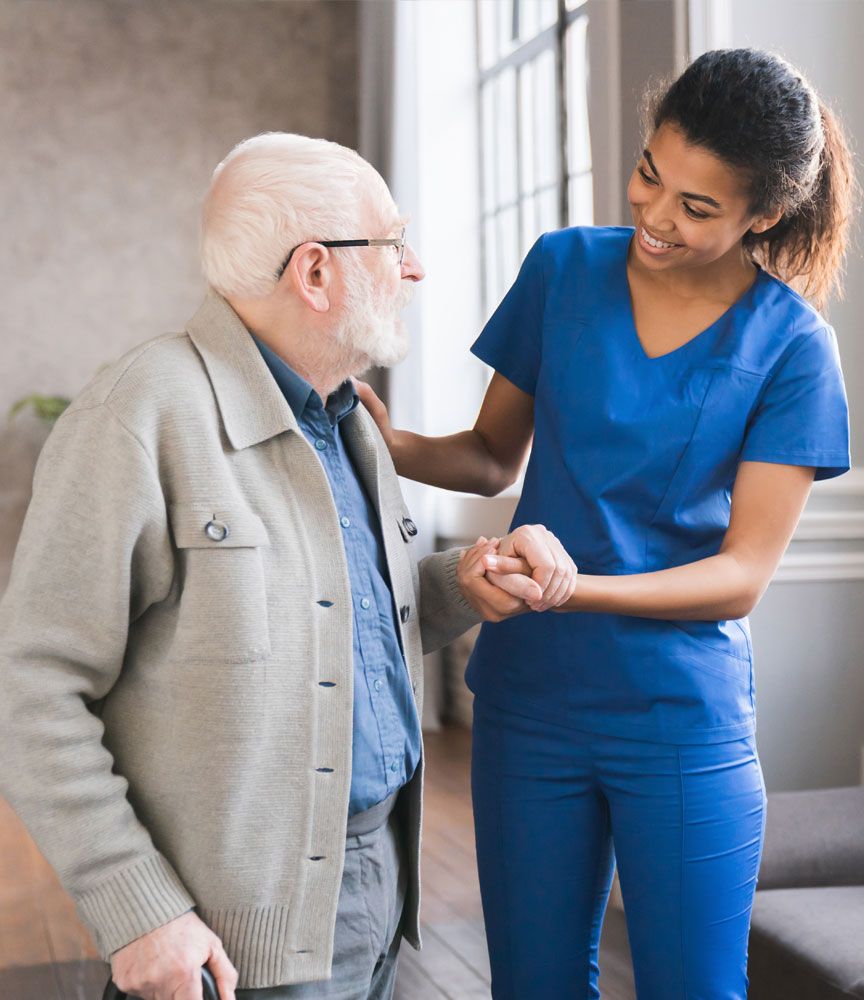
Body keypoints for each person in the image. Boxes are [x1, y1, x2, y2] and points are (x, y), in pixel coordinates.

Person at [0, 133, 576, 1000]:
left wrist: (463, 583)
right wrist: (140, 912)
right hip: (227, 942)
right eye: (391, 243)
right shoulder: (138, 414)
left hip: (378, 881)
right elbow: (30, 687)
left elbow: (327, 618)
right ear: (315, 273)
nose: (413, 268)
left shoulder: (352, 425)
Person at [356, 49, 855, 999]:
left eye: (697, 208)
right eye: (650, 175)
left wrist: (571, 588)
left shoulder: (795, 348)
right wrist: (395, 443)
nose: (656, 217)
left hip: (679, 715)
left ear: (764, 214)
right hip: (529, 700)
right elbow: (494, 457)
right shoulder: (563, 268)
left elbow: (742, 572)